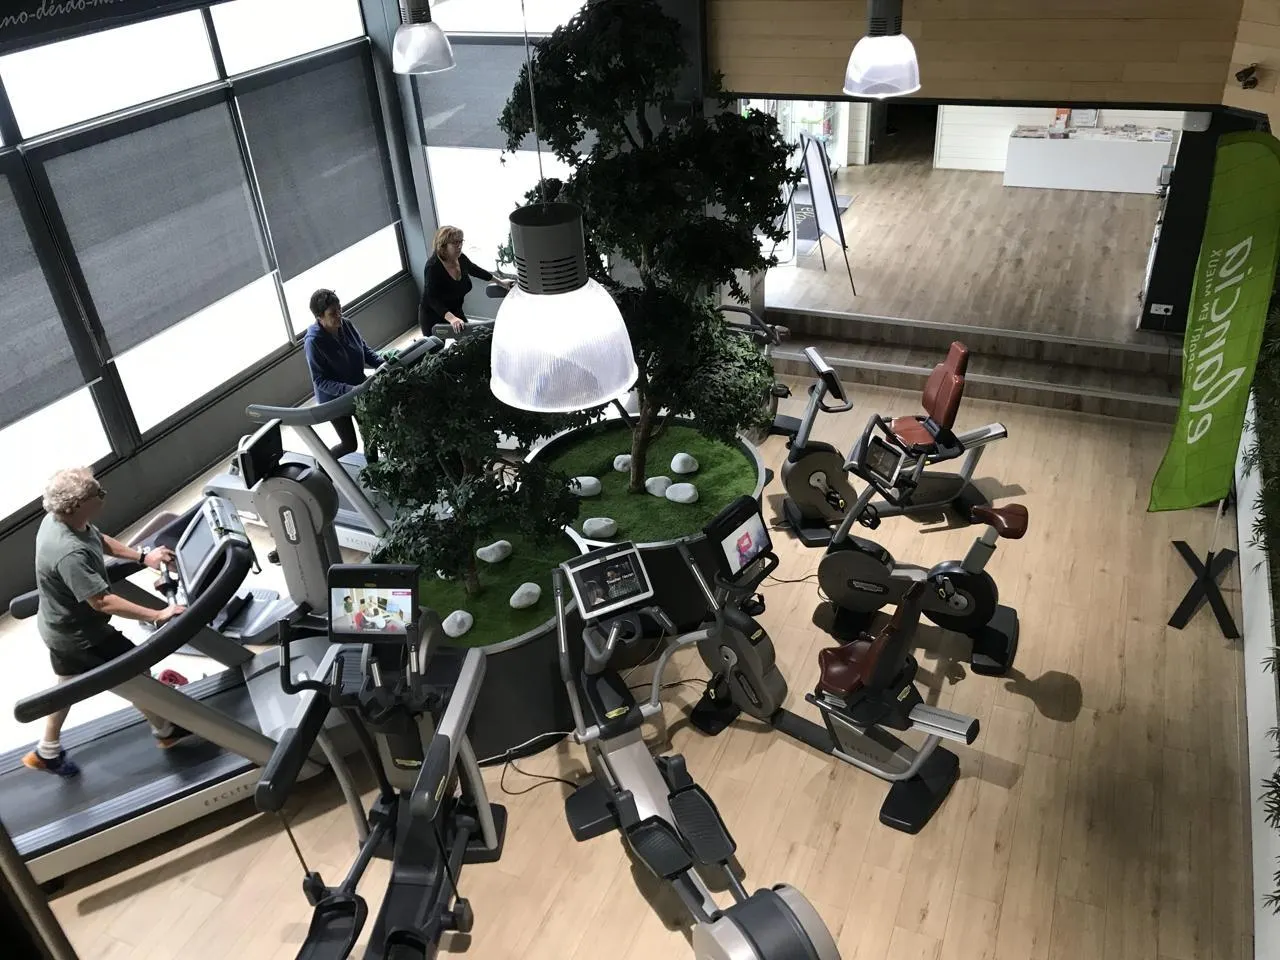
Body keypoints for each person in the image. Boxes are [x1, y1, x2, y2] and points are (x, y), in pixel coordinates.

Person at [25, 468, 191, 778]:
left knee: (68, 684)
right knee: (136, 672)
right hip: (82, 636)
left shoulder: (63, 520)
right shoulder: (68, 553)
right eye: (97, 494)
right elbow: (102, 601)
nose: (103, 496)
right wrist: (158, 614)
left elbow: (98, 539)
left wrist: (143, 557)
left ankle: (46, 751)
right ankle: (166, 730)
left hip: (58, 626)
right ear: (77, 504)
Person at [303, 289, 384, 461]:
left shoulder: (346, 324)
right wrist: (350, 389)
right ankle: (323, 466)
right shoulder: (314, 341)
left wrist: (382, 363)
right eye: (333, 313)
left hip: (358, 388)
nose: (339, 315)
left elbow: (365, 350)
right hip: (335, 400)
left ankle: (375, 471)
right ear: (319, 317)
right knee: (349, 444)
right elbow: (320, 380)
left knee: (370, 434)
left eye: (339, 309)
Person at [419, 225, 513, 336]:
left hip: (455, 310)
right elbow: (432, 299)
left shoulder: (461, 258)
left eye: (461, 241)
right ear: (443, 246)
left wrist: (500, 282)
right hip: (433, 315)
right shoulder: (433, 267)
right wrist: (452, 319)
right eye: (455, 243)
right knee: (435, 346)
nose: (459, 246)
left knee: (471, 340)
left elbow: (475, 270)